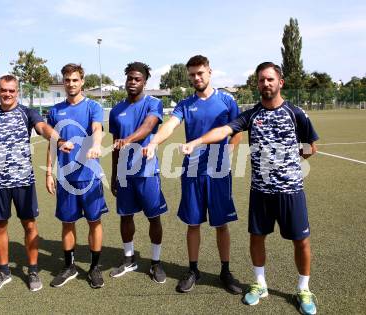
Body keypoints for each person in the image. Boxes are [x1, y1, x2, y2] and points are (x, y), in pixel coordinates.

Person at [180, 62, 318, 315]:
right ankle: (260, 284)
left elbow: (310, 146)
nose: (265, 84)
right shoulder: (251, 115)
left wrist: (290, 161)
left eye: (270, 80)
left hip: (291, 191)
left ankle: (303, 288)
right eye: (261, 80)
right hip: (261, 192)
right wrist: (197, 141)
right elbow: (224, 130)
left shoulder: (296, 113)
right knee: (257, 238)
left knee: (301, 241)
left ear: (280, 82)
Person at [144, 55, 242, 294]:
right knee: (193, 222)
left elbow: (238, 129)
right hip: (192, 172)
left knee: (221, 224)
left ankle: (225, 271)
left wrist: (230, 149)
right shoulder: (186, 104)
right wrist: (155, 141)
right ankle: (193, 269)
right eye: (192, 74)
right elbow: (170, 125)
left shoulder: (227, 100)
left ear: (210, 72)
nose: (196, 78)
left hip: (218, 172)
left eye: (200, 73)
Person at [0, 74, 72, 292]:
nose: (7, 94)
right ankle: (3, 271)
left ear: (17, 92)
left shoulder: (26, 113)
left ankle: (33, 270)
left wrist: (59, 140)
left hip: (23, 181)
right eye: (3, 90)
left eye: (11, 90)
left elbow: (42, 128)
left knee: (29, 225)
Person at [46, 63, 108, 289]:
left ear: (82, 82)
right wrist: (49, 172)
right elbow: (52, 142)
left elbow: (97, 129)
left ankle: (94, 267)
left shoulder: (93, 106)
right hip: (65, 177)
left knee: (94, 221)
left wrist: (97, 145)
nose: (71, 84)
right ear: (63, 82)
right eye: (67, 80)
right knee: (67, 222)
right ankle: (70, 266)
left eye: (75, 80)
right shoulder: (55, 111)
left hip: (89, 176)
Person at [108, 62, 168, 283]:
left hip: (147, 171)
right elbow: (115, 146)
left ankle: (155, 262)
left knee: (154, 217)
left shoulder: (154, 103)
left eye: (137, 79)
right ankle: (128, 258)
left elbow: (149, 126)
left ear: (144, 81)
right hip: (124, 174)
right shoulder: (115, 111)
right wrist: (114, 175)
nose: (133, 83)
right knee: (125, 216)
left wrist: (128, 140)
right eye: (130, 78)